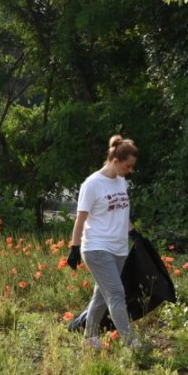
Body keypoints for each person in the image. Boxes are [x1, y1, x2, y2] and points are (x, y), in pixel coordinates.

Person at [67, 134, 140, 350]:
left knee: (101, 296)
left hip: (119, 248)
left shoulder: (121, 181)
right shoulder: (92, 184)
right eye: (127, 166)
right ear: (115, 161)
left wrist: (134, 234)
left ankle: (89, 338)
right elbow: (80, 218)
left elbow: (121, 212)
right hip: (96, 248)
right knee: (116, 294)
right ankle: (131, 344)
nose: (129, 170)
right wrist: (74, 247)